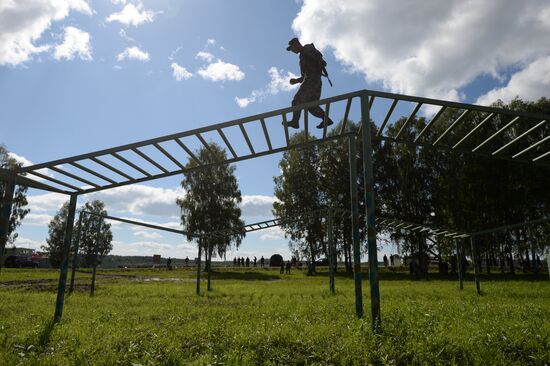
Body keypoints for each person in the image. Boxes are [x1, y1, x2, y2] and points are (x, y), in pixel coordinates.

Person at [284, 37, 334, 130]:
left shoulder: (306, 48)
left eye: (292, 48)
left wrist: (321, 62)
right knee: (311, 106)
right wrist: (296, 81)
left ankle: (295, 122)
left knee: (297, 100)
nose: (292, 51)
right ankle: (326, 119)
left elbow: (319, 58)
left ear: (297, 44)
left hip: (312, 80)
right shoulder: (302, 56)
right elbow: (304, 76)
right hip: (315, 81)